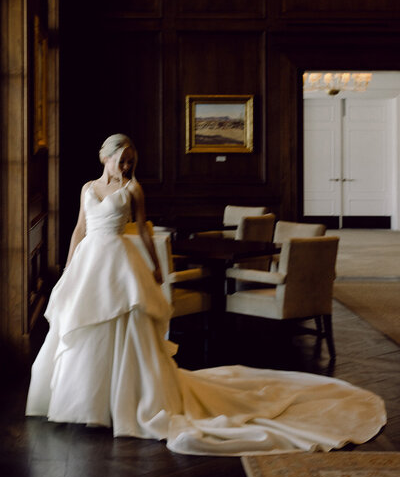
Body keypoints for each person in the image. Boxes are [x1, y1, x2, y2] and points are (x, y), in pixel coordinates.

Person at [26, 133, 386, 456]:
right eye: (119, 160)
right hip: (89, 263)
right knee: (82, 327)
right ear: (104, 157)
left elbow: (148, 232)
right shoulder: (88, 188)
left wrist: (153, 264)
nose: (124, 166)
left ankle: (126, 402)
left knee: (126, 328)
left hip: (120, 264)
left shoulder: (133, 189)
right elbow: (79, 229)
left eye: (129, 161)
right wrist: (67, 268)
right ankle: (85, 401)